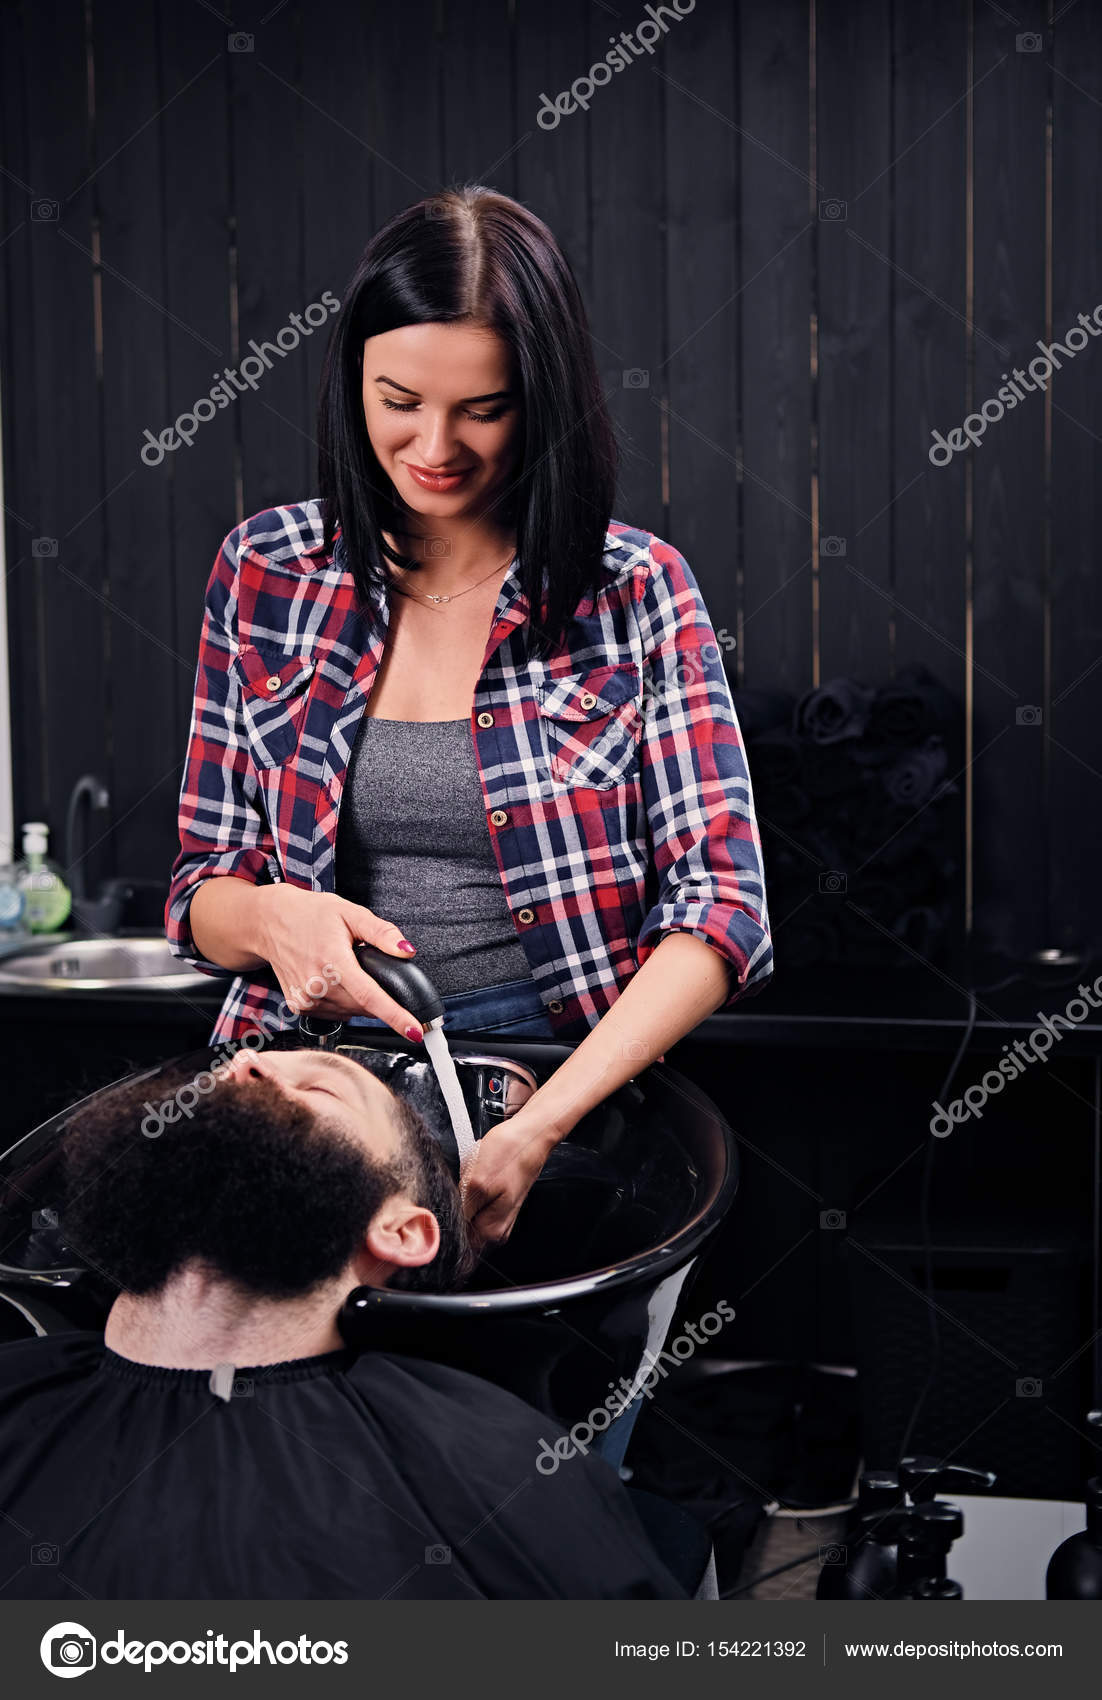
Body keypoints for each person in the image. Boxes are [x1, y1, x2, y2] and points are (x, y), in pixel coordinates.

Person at [166, 183, 771, 1266]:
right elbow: (203, 881)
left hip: (556, 1076)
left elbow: (721, 912)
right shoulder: (264, 569)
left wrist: (538, 1125)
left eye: (481, 408)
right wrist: (274, 924)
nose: (433, 444)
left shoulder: (634, 592)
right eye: (398, 398)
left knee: (526, 1415)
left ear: (541, 397)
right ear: (350, 377)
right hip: (310, 1073)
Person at [0, 1049, 685, 1601]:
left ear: (400, 1231)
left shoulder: (505, 1477)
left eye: (321, 1088)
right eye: (222, 1073)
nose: (244, 1067)